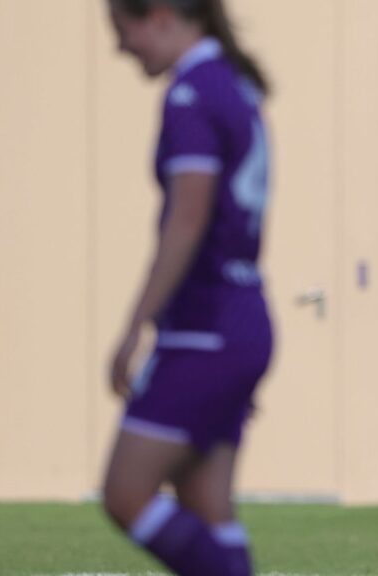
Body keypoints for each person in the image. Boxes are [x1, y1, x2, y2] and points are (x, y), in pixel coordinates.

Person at [101, 1, 272, 574]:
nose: (120, 48)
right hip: (241, 319)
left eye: (122, 31)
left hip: (205, 329)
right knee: (206, 506)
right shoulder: (233, 87)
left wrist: (134, 326)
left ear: (159, 15)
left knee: (126, 493)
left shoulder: (191, 94)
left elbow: (188, 219)